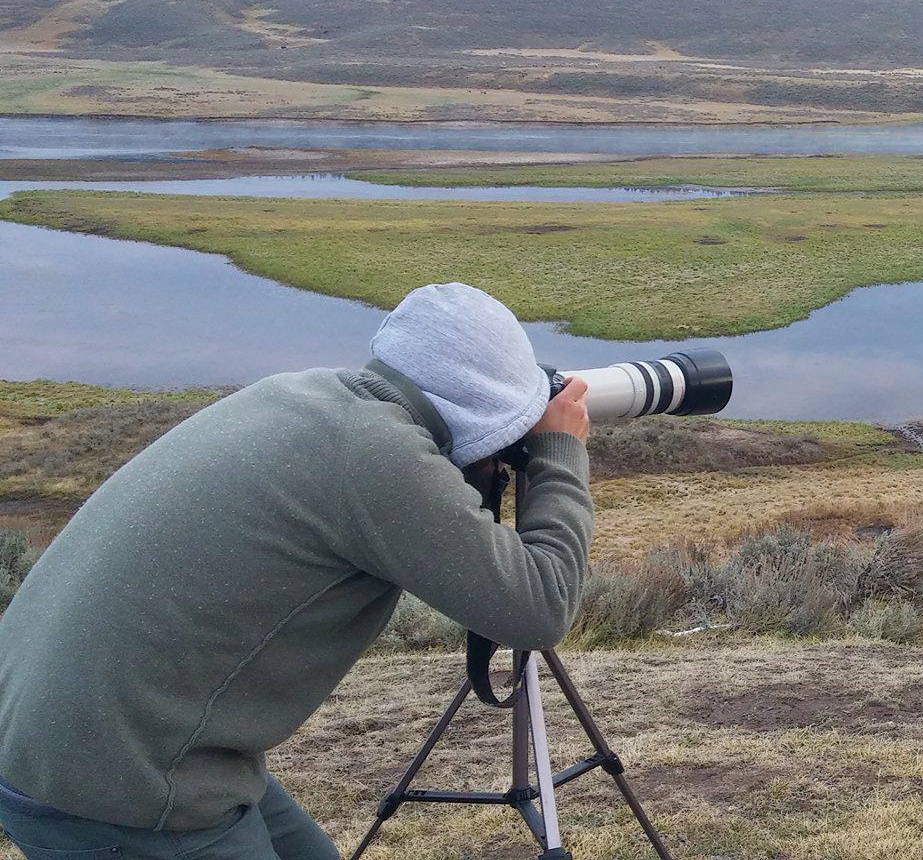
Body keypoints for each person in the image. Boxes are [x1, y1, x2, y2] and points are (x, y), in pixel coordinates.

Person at [0, 283, 593, 860]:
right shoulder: (375, 455)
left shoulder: (309, 396)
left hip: (94, 737)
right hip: (121, 781)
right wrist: (557, 450)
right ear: (482, 411)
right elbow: (539, 606)